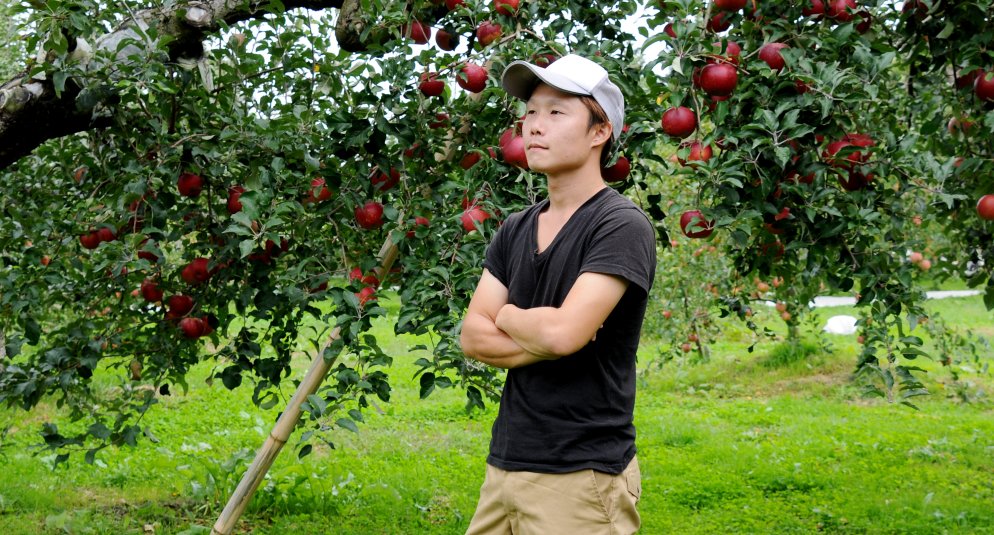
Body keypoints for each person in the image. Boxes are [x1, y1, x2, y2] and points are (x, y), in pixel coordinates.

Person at [459, 54, 657, 535]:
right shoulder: (515, 227)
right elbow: (472, 338)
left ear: (599, 131)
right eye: (529, 113)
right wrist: (537, 329)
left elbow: (566, 334)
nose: (534, 127)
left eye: (555, 112)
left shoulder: (620, 226)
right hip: (506, 462)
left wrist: (503, 313)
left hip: (580, 474)